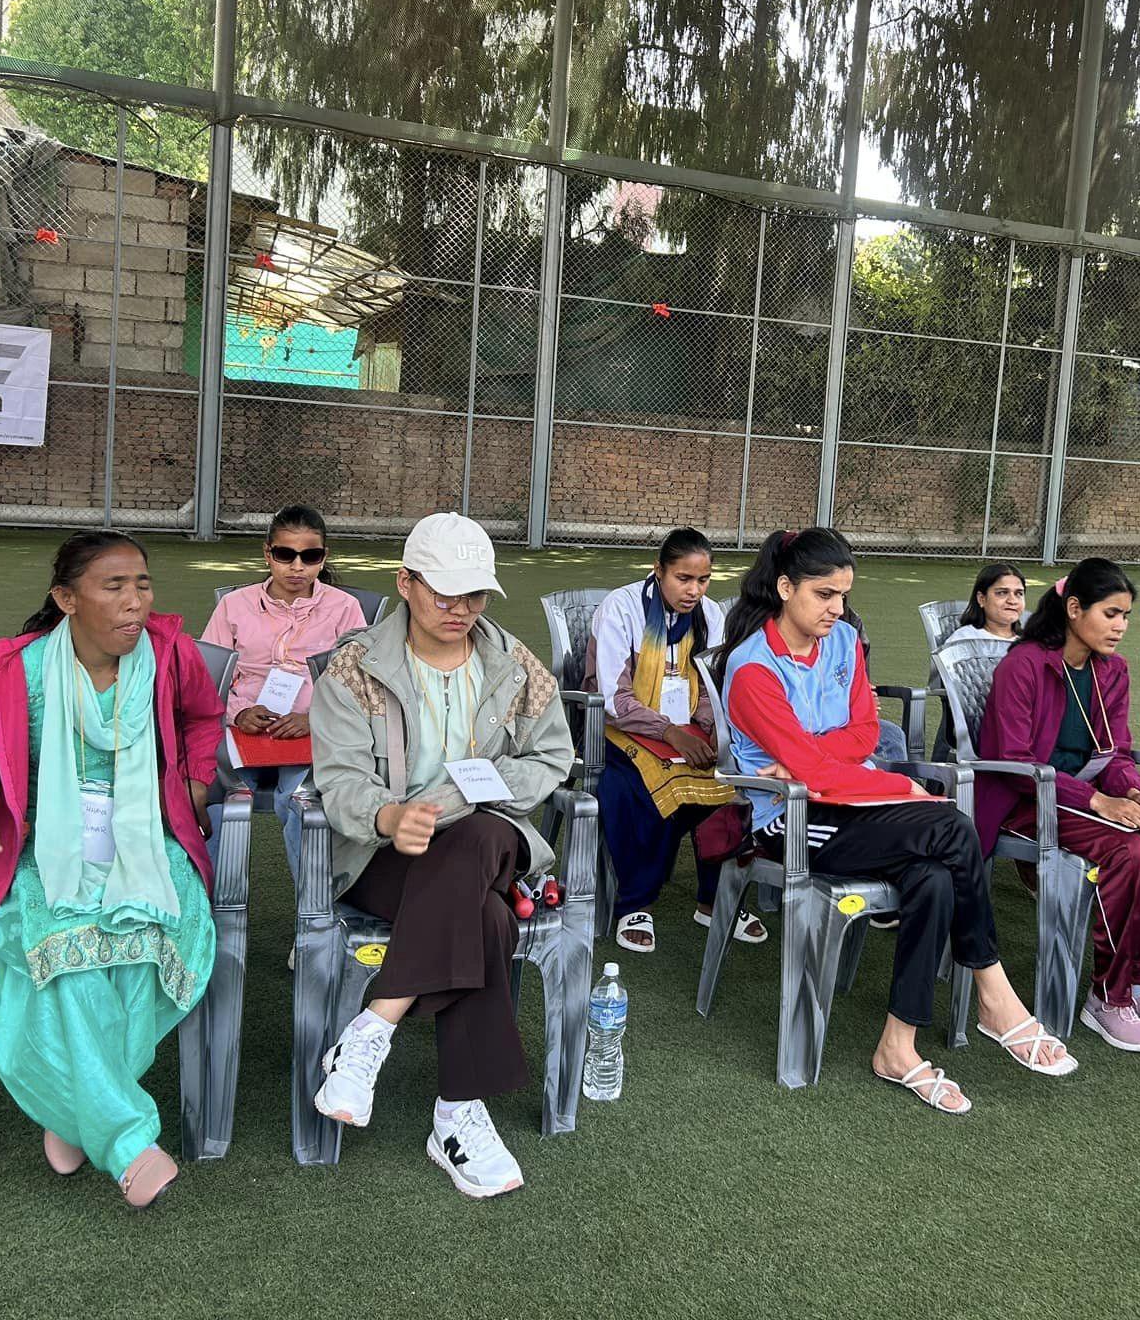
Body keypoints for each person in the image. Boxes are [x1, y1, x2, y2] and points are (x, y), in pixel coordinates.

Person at [718, 528, 1079, 1114]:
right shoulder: (752, 667)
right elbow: (810, 775)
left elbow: (864, 732)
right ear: (785, 588)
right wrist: (886, 780)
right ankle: (996, 994)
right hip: (790, 821)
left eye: (843, 595)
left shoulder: (843, 641)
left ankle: (898, 1045)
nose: (838, 609)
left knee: (935, 877)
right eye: (824, 595)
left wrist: (816, 755)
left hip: (854, 805)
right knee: (952, 827)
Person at [0, 531, 221, 1208]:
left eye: (142, 584)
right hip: (40, 847)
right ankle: (126, 1140)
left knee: (155, 943)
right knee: (60, 954)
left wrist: (198, 778)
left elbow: (204, 716)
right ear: (66, 599)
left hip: (146, 835)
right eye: (114, 587)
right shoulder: (13, 671)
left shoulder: (170, 655)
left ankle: (72, 1111)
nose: (135, 601)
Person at [307, 512, 573, 1199]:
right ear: (405, 583)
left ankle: (372, 1027)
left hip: (493, 836)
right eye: (444, 594)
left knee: (483, 834)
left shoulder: (514, 662)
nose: (461, 610)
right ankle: (457, 1113)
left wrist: (479, 788)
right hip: (388, 854)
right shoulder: (355, 665)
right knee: (484, 916)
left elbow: (553, 754)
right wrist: (388, 815)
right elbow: (337, 780)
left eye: (475, 595)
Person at [975, 558, 1140, 1052]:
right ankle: (1109, 997)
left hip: (1089, 802)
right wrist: (1099, 800)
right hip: (1027, 803)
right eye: (1111, 613)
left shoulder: (1113, 671)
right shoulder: (1025, 664)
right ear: (1074, 608)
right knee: (1130, 852)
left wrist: (1132, 791)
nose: (1121, 626)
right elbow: (1012, 761)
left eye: (1126, 615)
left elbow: (1116, 754)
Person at [589, 527, 761, 955]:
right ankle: (635, 901)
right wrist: (669, 732)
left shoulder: (710, 615)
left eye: (702, 581)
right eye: (683, 579)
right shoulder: (622, 608)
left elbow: (710, 688)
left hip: (683, 730)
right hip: (623, 728)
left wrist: (703, 727)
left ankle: (714, 899)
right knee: (636, 783)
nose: (694, 591)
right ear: (658, 570)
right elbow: (612, 697)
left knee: (728, 777)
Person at [201, 504, 367, 880]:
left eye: (310, 556)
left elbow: (358, 685)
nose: (297, 566)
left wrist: (314, 719)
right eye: (284, 555)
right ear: (268, 554)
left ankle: (315, 924)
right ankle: (209, 913)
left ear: (323, 557)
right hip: (242, 729)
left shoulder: (345, 609)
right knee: (215, 795)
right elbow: (208, 677)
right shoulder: (234, 606)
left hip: (310, 730)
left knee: (302, 802)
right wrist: (238, 713)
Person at [932, 562, 1028, 760]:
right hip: (985, 731)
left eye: (1018, 594)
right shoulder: (963, 642)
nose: (1012, 600)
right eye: (1002, 593)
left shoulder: (1031, 643)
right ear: (981, 598)